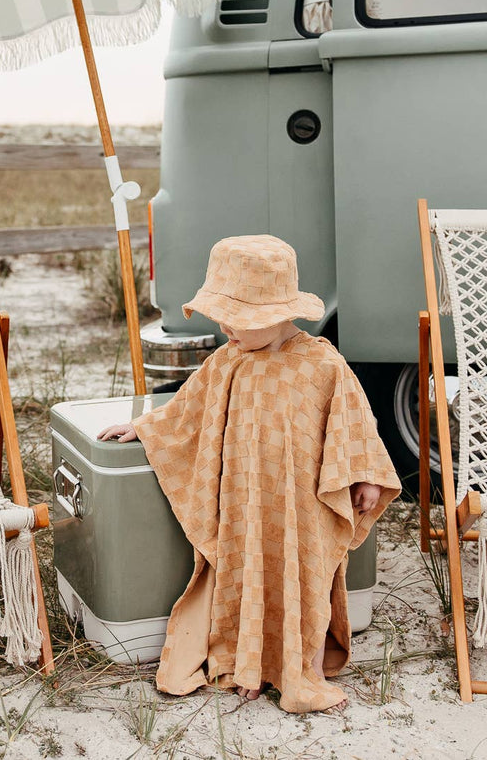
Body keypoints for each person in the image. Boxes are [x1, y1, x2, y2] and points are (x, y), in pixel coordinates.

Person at [98, 235, 401, 713]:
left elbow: (355, 425)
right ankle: (248, 662)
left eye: (236, 318)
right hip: (243, 500)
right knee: (244, 577)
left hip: (304, 507)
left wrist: (364, 476)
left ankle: (298, 667)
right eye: (220, 316)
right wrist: (143, 426)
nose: (225, 327)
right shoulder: (227, 361)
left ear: (277, 314)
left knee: (300, 578)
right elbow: (188, 411)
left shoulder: (323, 364)